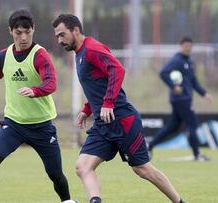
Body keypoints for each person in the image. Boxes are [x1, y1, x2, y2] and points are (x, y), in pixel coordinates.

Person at [53, 14, 185, 203]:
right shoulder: (79, 54)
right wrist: (87, 110)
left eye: (62, 35)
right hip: (102, 124)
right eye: (57, 36)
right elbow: (98, 85)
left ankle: (180, 202)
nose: (59, 40)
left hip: (122, 120)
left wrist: (108, 103)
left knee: (142, 169)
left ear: (75, 30)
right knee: (82, 167)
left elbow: (117, 69)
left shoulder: (92, 48)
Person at [0, 9, 77, 203]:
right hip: (14, 124)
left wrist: (35, 91)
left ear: (33, 29)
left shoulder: (40, 56)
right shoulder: (3, 57)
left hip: (42, 126)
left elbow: (51, 83)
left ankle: (67, 201)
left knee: (55, 174)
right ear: (10, 31)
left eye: (27, 32)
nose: (24, 37)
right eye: (19, 33)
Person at [148, 36, 213, 161]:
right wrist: (173, 86)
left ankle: (149, 145)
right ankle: (197, 155)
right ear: (181, 46)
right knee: (192, 123)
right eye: (186, 45)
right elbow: (163, 73)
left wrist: (204, 94)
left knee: (173, 126)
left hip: (184, 99)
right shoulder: (177, 60)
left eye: (190, 45)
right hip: (180, 99)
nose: (188, 48)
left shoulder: (190, 62)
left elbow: (194, 82)